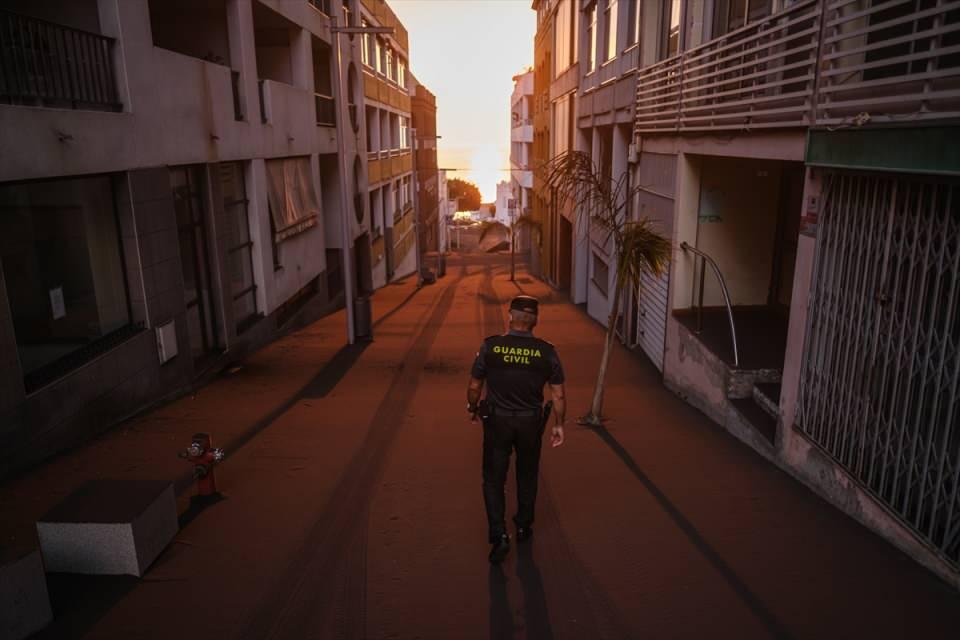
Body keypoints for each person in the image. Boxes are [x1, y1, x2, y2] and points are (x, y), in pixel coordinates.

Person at [467, 295, 566, 564]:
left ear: (510, 316)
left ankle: (499, 535)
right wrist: (558, 424)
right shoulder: (546, 351)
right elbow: (557, 394)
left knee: (493, 479)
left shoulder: (491, 346)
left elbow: (475, 385)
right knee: (527, 474)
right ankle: (523, 526)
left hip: (497, 422)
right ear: (535, 320)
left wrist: (472, 407)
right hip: (530, 423)